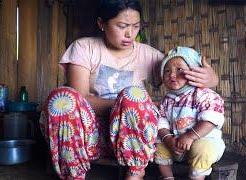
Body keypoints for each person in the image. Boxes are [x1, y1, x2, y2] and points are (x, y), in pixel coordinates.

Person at [39, 0, 219, 179]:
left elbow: (179, 70)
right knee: (62, 97)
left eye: (135, 26)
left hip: (132, 138)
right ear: (102, 23)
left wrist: (211, 78)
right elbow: (81, 99)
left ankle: (135, 171)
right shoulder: (84, 48)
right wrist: (123, 106)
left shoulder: (148, 54)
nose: (130, 33)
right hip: (88, 136)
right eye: (122, 26)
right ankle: (73, 174)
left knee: (134, 96)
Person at [155, 47, 225, 180]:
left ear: (195, 71)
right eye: (167, 70)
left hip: (204, 140)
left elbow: (210, 120)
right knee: (158, 145)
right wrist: (168, 138)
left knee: (202, 149)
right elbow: (161, 123)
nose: (172, 75)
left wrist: (190, 136)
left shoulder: (204, 94)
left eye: (179, 70)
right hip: (176, 145)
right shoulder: (166, 100)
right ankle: (167, 177)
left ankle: (197, 177)